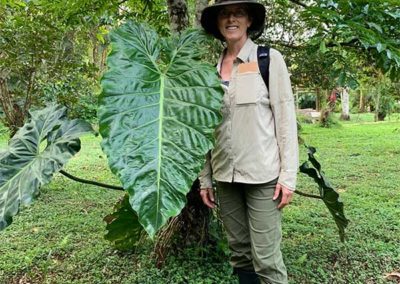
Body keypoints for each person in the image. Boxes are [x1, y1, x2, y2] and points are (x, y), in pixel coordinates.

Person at [199, 1, 299, 283]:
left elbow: (285, 119)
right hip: (225, 176)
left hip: (263, 175)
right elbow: (204, 129)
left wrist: (288, 176)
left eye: (238, 13)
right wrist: (205, 179)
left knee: (266, 259)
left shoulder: (269, 60)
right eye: (224, 13)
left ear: (249, 20)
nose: (231, 19)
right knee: (240, 253)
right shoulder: (210, 71)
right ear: (217, 23)